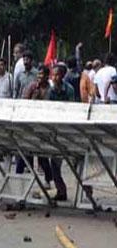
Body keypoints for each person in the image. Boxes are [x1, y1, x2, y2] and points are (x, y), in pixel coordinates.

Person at [47, 63, 76, 201]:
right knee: (54, 163)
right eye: (53, 74)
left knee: (76, 162)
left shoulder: (69, 90)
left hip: (69, 131)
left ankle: (86, 190)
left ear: (63, 76)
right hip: (56, 130)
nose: (54, 77)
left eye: (57, 74)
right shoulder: (51, 91)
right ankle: (61, 190)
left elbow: (71, 109)